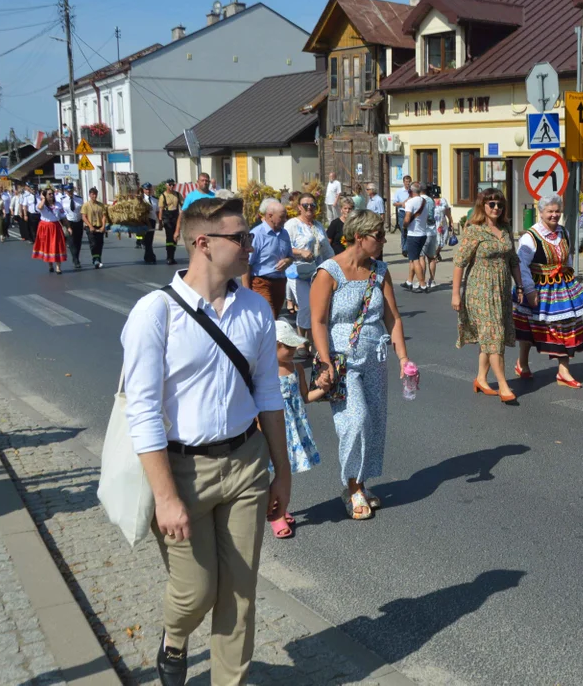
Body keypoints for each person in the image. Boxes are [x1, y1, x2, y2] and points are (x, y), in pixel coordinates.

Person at [121, 196, 291, 686]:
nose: (250, 245)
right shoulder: (155, 314)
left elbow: (268, 394)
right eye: (240, 238)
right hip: (181, 473)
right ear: (203, 243)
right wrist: (165, 497)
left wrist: (281, 471)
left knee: (239, 595)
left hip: (245, 464)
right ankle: (175, 641)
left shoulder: (255, 308)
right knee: (196, 592)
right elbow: (144, 414)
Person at [310, 210, 409, 520]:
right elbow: (318, 320)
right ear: (358, 237)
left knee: (374, 421)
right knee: (356, 419)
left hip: (376, 356)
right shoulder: (329, 271)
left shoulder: (380, 271)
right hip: (342, 360)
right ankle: (352, 489)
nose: (383, 241)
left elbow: (392, 316)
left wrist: (404, 358)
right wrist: (325, 362)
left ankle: (360, 483)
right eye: (377, 236)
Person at [452, 188, 525, 403]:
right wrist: (455, 294)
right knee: (494, 336)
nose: (496, 208)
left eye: (500, 205)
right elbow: (459, 263)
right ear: (482, 206)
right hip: (480, 291)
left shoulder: (505, 228)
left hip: (501, 291)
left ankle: (482, 379)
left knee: (491, 336)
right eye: (491, 204)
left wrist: (520, 286)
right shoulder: (474, 230)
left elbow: (513, 260)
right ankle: (503, 385)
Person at [513, 196, 583, 388]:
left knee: (566, 325)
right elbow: (522, 266)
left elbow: (568, 258)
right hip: (539, 286)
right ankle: (522, 362)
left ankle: (563, 370)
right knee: (530, 327)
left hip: (562, 286)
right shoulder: (530, 237)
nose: (554, 215)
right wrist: (529, 290)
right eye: (550, 211)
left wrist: (571, 277)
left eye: (557, 211)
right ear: (541, 213)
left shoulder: (564, 232)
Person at [269, 320, 325, 539]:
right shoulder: (264, 372)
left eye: (294, 346)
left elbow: (305, 397)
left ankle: (280, 509)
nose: (293, 351)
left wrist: (323, 389)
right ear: (271, 346)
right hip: (271, 429)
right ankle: (275, 514)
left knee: (285, 472)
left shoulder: (297, 368)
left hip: (292, 430)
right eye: (287, 346)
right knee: (269, 472)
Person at [285, 193, 333, 346]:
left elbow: (327, 250)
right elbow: (283, 247)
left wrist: (336, 265)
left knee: (317, 307)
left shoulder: (318, 226)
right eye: (306, 205)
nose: (309, 208)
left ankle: (311, 342)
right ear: (299, 207)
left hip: (316, 272)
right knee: (306, 305)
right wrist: (300, 252)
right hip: (296, 272)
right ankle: (301, 341)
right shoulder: (292, 224)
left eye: (313, 205)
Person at [243, 199, 293, 317]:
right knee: (267, 316)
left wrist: (287, 261)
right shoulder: (257, 234)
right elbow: (246, 264)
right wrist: (246, 292)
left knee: (274, 317)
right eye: (282, 217)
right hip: (261, 282)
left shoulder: (284, 233)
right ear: (270, 216)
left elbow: (290, 256)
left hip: (280, 282)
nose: (285, 220)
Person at [32, 188, 67, 274]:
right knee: (48, 246)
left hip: (56, 227)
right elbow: (39, 208)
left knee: (57, 246)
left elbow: (63, 216)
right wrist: (43, 199)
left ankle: (58, 267)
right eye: (49, 194)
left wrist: (68, 227)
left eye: (52, 194)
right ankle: (50, 264)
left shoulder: (58, 204)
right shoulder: (42, 204)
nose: (51, 195)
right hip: (45, 227)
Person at [401, 183, 429, 292]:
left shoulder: (411, 202)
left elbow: (407, 219)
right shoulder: (424, 201)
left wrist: (403, 226)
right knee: (412, 259)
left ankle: (422, 284)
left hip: (413, 234)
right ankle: (409, 281)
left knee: (415, 259)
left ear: (411, 192)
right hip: (423, 233)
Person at [176, 172, 214, 246]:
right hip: (195, 230)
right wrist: (177, 231)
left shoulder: (214, 196)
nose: (205, 182)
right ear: (198, 182)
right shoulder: (191, 196)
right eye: (202, 180)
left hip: (210, 229)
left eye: (206, 181)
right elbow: (182, 213)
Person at [424, 183, 450, 289]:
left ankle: (437, 253)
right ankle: (425, 280)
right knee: (430, 256)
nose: (435, 196)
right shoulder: (428, 201)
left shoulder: (442, 200)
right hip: (432, 228)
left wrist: (451, 221)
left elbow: (447, 211)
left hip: (441, 225)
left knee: (442, 242)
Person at [419, 183, 441, 291]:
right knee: (431, 257)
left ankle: (421, 281)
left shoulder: (419, 200)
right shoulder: (431, 200)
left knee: (421, 257)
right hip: (432, 231)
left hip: (422, 230)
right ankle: (432, 280)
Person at [58, 183, 84, 269]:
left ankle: (76, 257)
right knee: (71, 241)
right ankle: (76, 260)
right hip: (69, 222)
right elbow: (61, 213)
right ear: (65, 191)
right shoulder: (62, 200)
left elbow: (82, 211)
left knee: (78, 242)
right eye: (68, 191)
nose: (70, 192)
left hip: (78, 221)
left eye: (71, 191)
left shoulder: (79, 199)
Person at [82, 187, 107, 268]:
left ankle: (98, 259)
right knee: (93, 243)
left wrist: (103, 226)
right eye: (92, 194)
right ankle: (95, 259)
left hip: (99, 226)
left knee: (100, 243)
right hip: (90, 227)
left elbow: (104, 216)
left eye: (95, 194)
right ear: (89, 195)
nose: (94, 196)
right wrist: (90, 226)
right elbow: (84, 217)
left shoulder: (101, 205)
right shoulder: (86, 205)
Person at [159, 179, 182, 265]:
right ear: (166, 185)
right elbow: (161, 210)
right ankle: (169, 256)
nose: (172, 186)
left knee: (175, 237)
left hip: (175, 216)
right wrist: (160, 222)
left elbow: (183, 205)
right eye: (170, 185)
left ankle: (173, 255)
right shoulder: (163, 196)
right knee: (169, 237)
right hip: (167, 217)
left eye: (173, 185)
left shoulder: (177, 195)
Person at [137, 183, 159, 264]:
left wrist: (160, 222)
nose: (148, 191)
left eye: (149, 189)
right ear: (143, 190)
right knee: (147, 240)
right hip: (144, 221)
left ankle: (148, 256)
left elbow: (157, 211)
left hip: (152, 221)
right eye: (146, 189)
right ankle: (151, 256)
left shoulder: (155, 200)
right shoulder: (140, 199)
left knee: (150, 239)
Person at [392, 175, 412, 257]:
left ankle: (408, 248)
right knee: (404, 230)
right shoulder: (399, 192)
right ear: (403, 182)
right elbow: (394, 203)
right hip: (402, 213)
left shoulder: (412, 191)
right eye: (406, 182)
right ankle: (404, 249)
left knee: (410, 231)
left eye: (409, 182)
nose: (407, 183)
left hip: (411, 213)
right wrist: (401, 204)